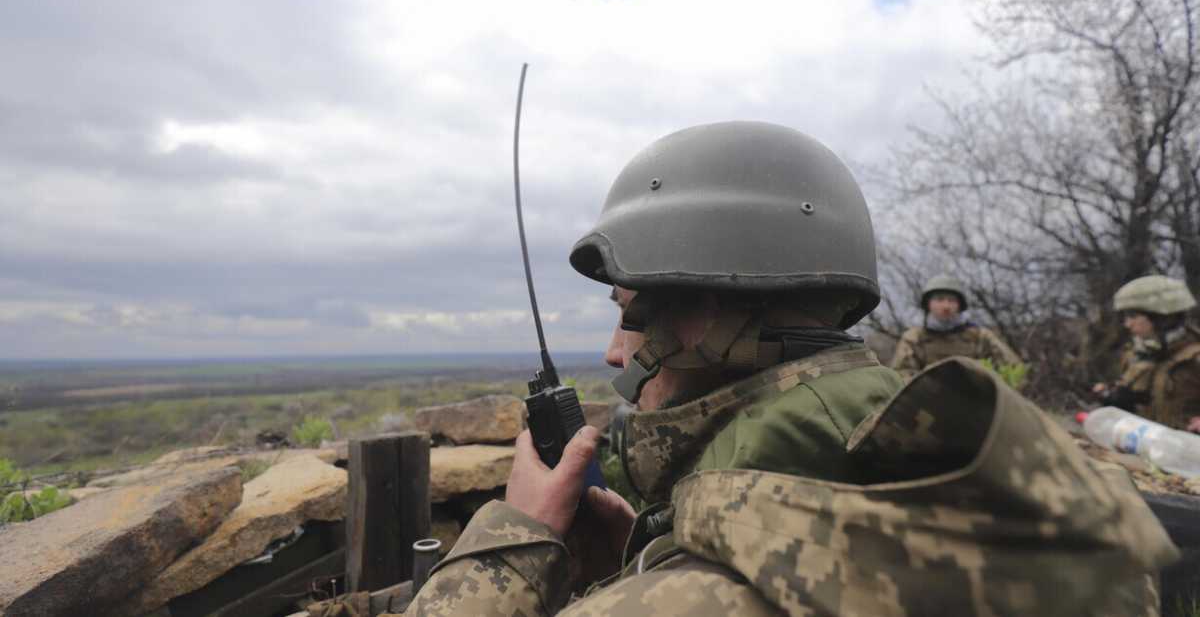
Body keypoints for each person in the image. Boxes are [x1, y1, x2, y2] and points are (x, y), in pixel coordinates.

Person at [400, 122, 1174, 616]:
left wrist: (515, 544)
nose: (611, 353)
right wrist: (649, 552)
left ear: (704, 315)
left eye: (625, 309)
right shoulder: (988, 487)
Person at [1093, 275, 1200, 432]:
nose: (1127, 324)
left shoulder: (1195, 356)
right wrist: (1115, 397)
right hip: (1148, 449)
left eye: (1133, 316)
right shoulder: (1135, 354)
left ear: (1160, 317)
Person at [889, 274, 1023, 381]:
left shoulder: (979, 336)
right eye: (939, 299)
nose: (946, 306)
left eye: (951, 300)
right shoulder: (914, 338)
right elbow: (900, 375)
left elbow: (1013, 369)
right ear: (928, 304)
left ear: (960, 305)